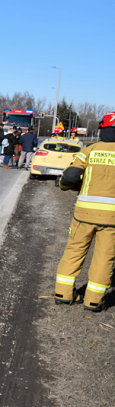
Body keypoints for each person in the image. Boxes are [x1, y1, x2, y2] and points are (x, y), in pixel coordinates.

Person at [54, 111, 115, 312]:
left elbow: (70, 176)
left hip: (84, 214)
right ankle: (93, 301)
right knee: (104, 257)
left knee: (74, 251)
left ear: (101, 130)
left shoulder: (89, 151)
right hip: (112, 218)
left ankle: (63, 294)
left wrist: (63, 187)